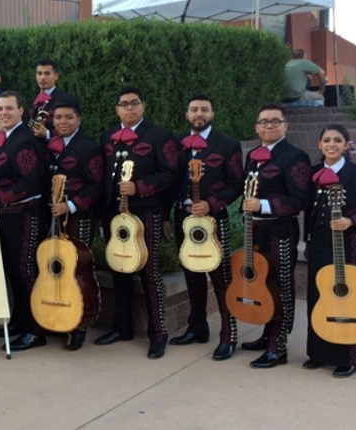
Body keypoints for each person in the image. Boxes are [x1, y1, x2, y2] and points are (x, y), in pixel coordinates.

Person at [94, 87, 178, 359]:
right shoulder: (107, 136)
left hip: (145, 213)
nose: (129, 108)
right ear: (116, 108)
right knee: (119, 268)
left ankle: (158, 333)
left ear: (143, 106)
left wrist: (139, 187)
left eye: (134, 103)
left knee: (149, 272)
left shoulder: (159, 136)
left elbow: (170, 174)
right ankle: (122, 327)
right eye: (123, 104)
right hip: (113, 214)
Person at [164, 94, 243, 361]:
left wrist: (212, 204)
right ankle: (197, 327)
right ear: (187, 114)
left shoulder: (227, 145)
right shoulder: (177, 144)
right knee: (191, 275)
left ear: (212, 113)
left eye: (204, 109)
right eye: (194, 109)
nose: (199, 113)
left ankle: (228, 334)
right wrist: (166, 215)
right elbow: (169, 182)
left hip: (213, 219)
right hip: (183, 219)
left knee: (220, 279)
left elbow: (236, 184)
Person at [303, 124, 356, 378]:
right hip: (319, 243)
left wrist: (351, 221)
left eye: (337, 140)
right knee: (317, 298)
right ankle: (318, 353)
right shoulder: (312, 174)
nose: (331, 144)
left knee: (347, 298)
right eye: (326, 140)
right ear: (320, 144)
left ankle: (347, 358)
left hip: (346, 245)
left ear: (347, 145)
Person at [240, 103, 312, 368]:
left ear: (285, 125)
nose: (268, 126)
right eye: (263, 122)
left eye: (274, 121)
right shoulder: (253, 156)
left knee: (280, 286)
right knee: (263, 285)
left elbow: (301, 198)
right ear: (257, 127)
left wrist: (264, 206)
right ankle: (267, 335)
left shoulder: (295, 156)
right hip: (255, 230)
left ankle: (278, 346)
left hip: (280, 231)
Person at [0, 91, 46, 351]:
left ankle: (35, 330)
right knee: (13, 272)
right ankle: (19, 320)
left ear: (20, 111)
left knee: (25, 272)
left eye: (8, 109)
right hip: (8, 215)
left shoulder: (25, 141)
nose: (3, 113)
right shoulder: (9, 138)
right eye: (0, 109)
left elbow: (30, 183)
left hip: (24, 215)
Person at [45, 98, 104, 350]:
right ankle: (58, 318)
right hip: (53, 217)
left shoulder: (88, 147)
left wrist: (70, 206)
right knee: (54, 267)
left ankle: (78, 325)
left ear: (78, 120)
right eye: (58, 118)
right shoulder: (50, 146)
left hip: (78, 216)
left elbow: (96, 185)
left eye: (68, 117)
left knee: (76, 269)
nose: (63, 122)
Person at [29, 59, 71, 143]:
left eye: (47, 73)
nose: (43, 77)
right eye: (39, 73)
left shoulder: (65, 100)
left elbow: (72, 128)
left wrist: (47, 133)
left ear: (56, 76)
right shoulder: (34, 100)